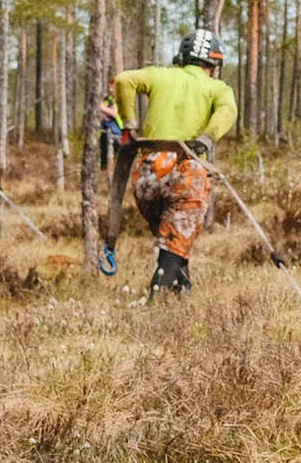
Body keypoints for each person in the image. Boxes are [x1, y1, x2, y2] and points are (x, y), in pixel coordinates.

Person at [101, 30, 238, 296]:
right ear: (214, 64)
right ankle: (158, 299)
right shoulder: (217, 88)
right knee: (175, 241)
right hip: (187, 169)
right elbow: (227, 110)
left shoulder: (160, 75)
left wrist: (129, 125)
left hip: (148, 172)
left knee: (173, 238)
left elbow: (124, 80)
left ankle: (182, 291)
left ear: (182, 58)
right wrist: (207, 138)